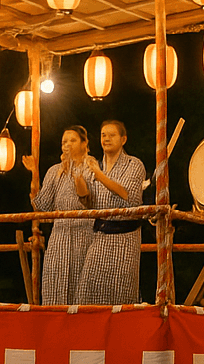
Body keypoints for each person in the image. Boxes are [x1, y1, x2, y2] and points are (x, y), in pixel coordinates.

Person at [76, 120, 147, 304]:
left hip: (125, 237)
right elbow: (87, 201)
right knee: (87, 290)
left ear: (123, 139)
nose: (106, 139)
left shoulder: (134, 164)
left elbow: (128, 195)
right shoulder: (96, 165)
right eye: (103, 135)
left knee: (121, 292)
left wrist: (98, 174)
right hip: (100, 235)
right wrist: (78, 175)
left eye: (112, 135)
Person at [27, 125, 98, 306]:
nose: (67, 145)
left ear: (84, 144)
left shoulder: (93, 167)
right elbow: (42, 207)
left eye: (72, 140)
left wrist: (76, 175)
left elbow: (89, 200)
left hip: (85, 231)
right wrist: (34, 174)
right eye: (64, 141)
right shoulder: (54, 170)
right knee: (55, 284)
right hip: (59, 234)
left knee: (82, 285)